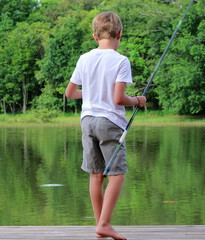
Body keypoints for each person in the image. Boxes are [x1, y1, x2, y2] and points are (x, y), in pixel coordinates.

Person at [65, 11, 146, 240]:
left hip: (87, 121)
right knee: (117, 174)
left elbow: (70, 93)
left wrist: (91, 93)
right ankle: (105, 223)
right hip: (110, 122)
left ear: (94, 36)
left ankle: (100, 224)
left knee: (95, 175)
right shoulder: (120, 61)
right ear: (120, 34)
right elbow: (119, 99)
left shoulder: (84, 58)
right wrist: (137, 100)